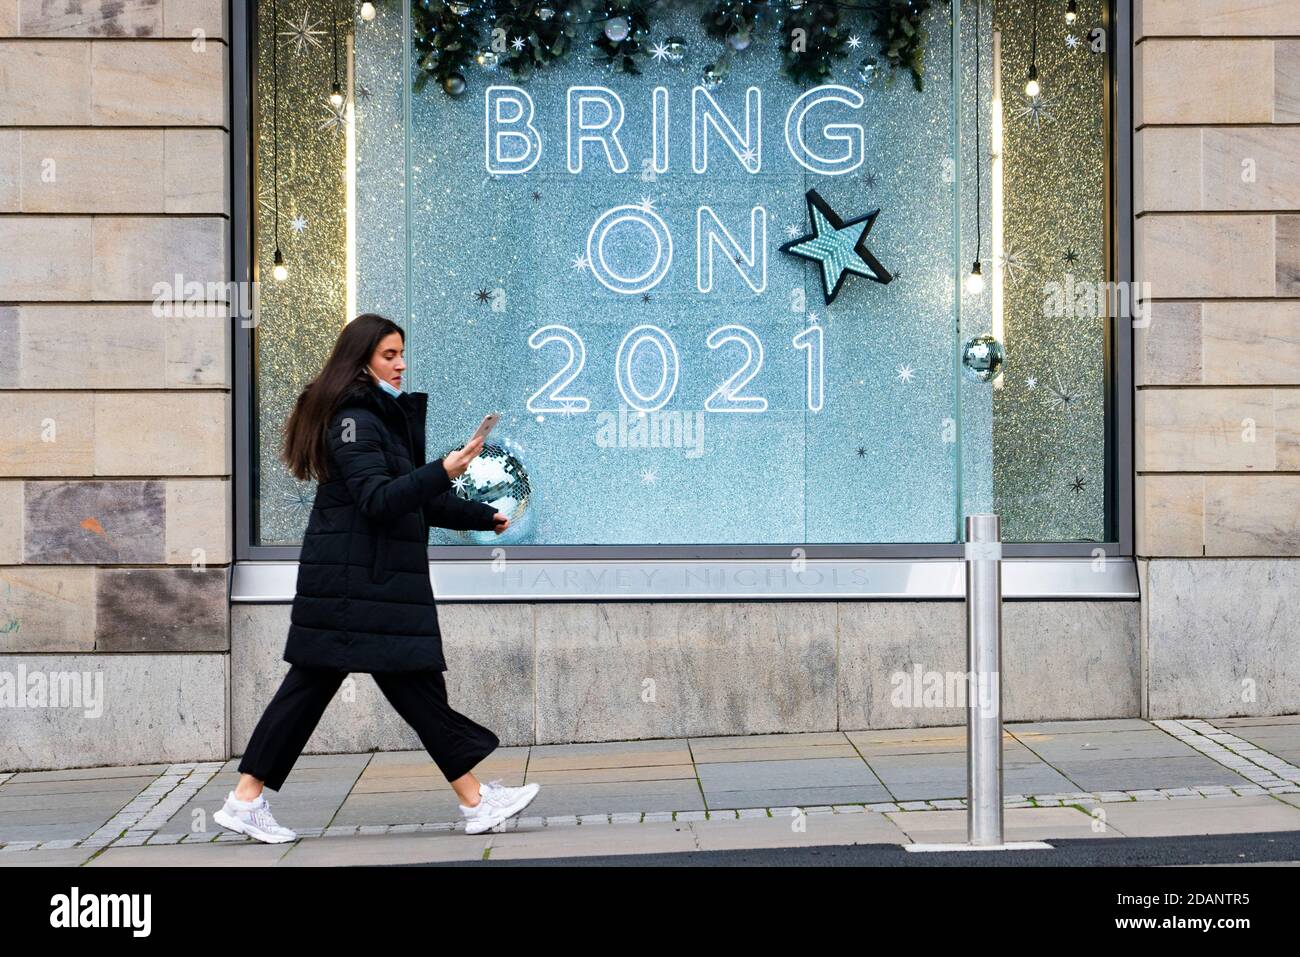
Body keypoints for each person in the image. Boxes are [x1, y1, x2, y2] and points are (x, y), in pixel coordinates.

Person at [214, 313, 539, 842]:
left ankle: (475, 799)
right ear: (361, 359)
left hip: (369, 582)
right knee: (349, 688)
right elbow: (379, 499)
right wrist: (446, 469)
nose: (401, 363)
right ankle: (247, 800)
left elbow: (413, 495)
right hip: (356, 586)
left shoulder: (376, 416)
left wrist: (481, 514)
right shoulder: (355, 420)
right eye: (389, 354)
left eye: (402, 353)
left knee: (399, 689)